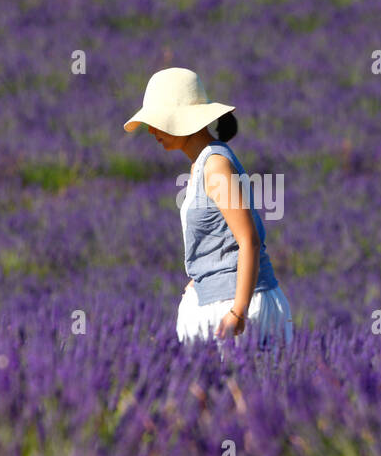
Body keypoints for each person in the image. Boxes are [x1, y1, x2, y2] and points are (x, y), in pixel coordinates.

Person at [123, 67, 294, 350]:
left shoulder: (215, 166)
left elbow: (248, 240)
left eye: (157, 121)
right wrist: (199, 279)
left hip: (240, 307)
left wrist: (238, 312)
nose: (151, 131)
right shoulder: (202, 164)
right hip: (219, 302)